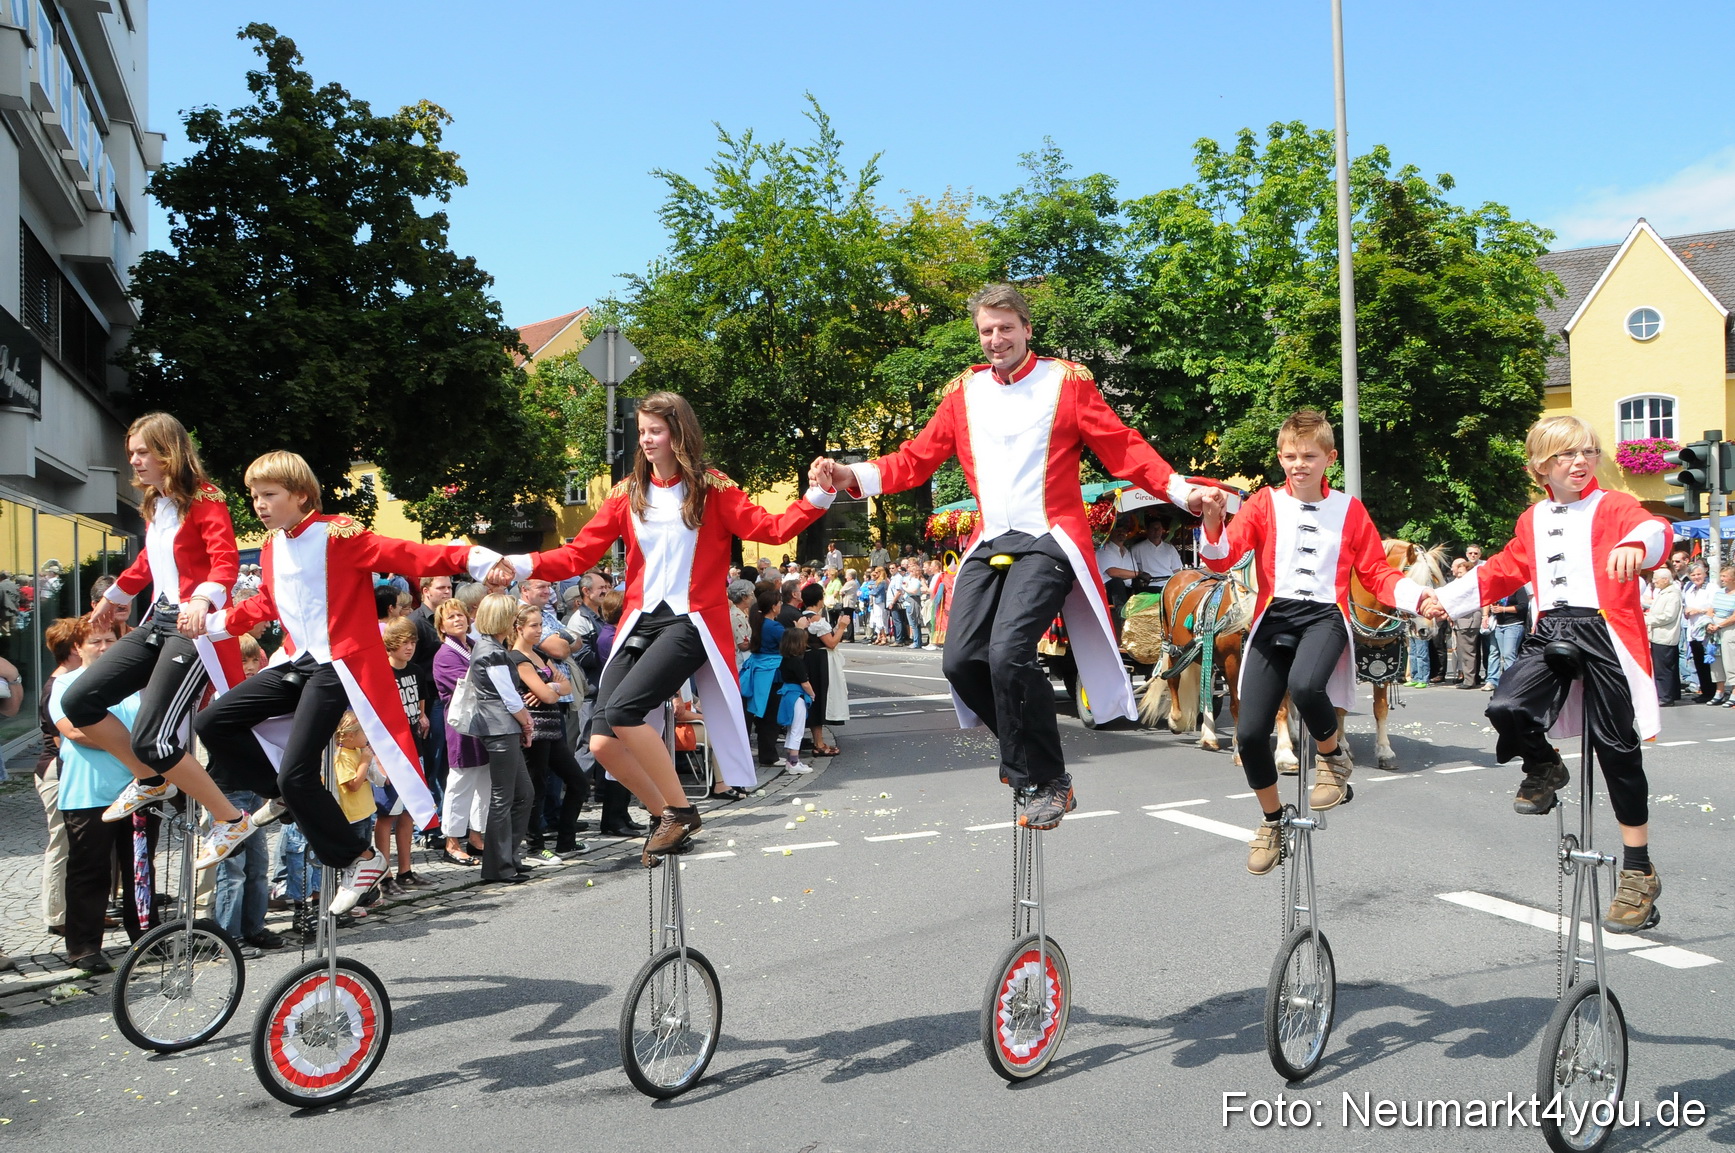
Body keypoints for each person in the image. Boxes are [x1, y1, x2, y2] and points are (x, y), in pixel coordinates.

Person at [812, 282, 1222, 828]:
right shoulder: (963, 393)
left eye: (1006, 328)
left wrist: (1180, 490)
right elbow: (915, 459)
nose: (996, 339)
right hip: (990, 539)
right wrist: (848, 474)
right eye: (987, 331)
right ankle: (1024, 757)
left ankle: (1050, 779)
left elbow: (1123, 447)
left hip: (1049, 537)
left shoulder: (1066, 382)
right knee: (960, 661)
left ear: (1027, 329)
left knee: (1008, 653)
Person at [489, 391, 835, 865]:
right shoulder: (627, 492)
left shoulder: (712, 487)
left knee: (625, 711)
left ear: (679, 433)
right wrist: (520, 564)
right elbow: (577, 554)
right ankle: (665, 816)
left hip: (691, 621)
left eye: (656, 430)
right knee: (602, 741)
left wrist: (818, 494)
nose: (647, 440)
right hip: (640, 619)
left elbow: (771, 528)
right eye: (642, 431)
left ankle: (680, 811)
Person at [191, 450, 503, 914]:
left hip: (337, 665)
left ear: (300, 495)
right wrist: (215, 623)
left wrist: (470, 557)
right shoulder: (273, 546)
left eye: (268, 494)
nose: (258, 504)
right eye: (254, 495)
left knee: (296, 773)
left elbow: (408, 554)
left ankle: (360, 858)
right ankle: (281, 797)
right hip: (297, 660)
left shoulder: (337, 534)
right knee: (213, 722)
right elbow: (267, 604)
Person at [1421, 414, 1668, 932]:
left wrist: (1636, 545)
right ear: (1539, 467)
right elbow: (1500, 570)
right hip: (1552, 628)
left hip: (1604, 631)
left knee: (1617, 750)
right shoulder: (1532, 519)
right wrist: (1445, 599)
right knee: (1505, 705)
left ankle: (1639, 871)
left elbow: (1655, 528)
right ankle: (1544, 765)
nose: (1580, 462)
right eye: (1566, 454)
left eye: (1588, 451)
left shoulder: (1612, 505)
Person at [1198, 409, 1430, 874]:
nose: (1298, 464)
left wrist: (1418, 597)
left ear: (1330, 458)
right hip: (1274, 616)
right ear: (1280, 458)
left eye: (1308, 456)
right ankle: (1272, 820)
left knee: (1305, 686)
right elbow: (1222, 560)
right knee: (1249, 734)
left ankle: (1332, 757)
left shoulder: (1349, 509)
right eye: (1289, 456)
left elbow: (1376, 572)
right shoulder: (1263, 503)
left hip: (1324, 614)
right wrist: (1212, 520)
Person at [60, 412, 262, 868]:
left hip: (193, 629)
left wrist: (204, 599)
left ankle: (230, 819)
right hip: (159, 620)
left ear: (168, 452)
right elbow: (148, 565)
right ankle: (151, 780)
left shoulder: (205, 497)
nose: (134, 461)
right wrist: (113, 598)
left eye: (142, 452)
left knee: (153, 738)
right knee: (79, 701)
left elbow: (224, 561)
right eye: (130, 453)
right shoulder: (157, 502)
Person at [50, 617, 158, 973]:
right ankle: (84, 948)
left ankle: (147, 938)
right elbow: (74, 732)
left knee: (139, 868)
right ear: (78, 647)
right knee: (89, 870)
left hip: (139, 788)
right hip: (89, 792)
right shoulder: (65, 683)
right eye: (95, 641)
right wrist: (132, 748)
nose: (104, 647)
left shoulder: (133, 684)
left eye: (110, 640)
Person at [460, 594, 536, 882]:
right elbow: (509, 697)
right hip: (499, 727)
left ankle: (508, 858)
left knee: (522, 793)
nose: (515, 619)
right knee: (504, 798)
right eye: (512, 615)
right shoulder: (491, 650)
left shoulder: (489, 647)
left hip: (501, 726)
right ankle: (499, 866)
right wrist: (527, 723)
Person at [35, 618, 85, 943]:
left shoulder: (71, 680)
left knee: (77, 845)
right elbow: (60, 741)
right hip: (56, 770)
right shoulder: (57, 686)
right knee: (62, 842)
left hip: (64, 769)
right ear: (73, 649)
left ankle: (76, 911)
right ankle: (57, 915)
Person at [431, 598, 487, 864]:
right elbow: (472, 684)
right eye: (450, 617)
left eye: (460, 615)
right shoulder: (445, 655)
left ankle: (477, 837)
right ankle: (452, 842)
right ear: (441, 626)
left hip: (484, 723)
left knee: (484, 781)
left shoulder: (474, 645)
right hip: (462, 726)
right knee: (460, 782)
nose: (457, 620)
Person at [1646, 567, 1683, 706]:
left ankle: (1666, 697)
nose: (1654, 581)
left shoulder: (1672, 594)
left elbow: (1668, 616)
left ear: (1665, 580)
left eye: (1656, 579)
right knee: (1666, 667)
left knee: (1663, 668)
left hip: (1665, 636)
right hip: (1660, 634)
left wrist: (1648, 620)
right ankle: (1671, 694)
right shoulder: (1664, 592)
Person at [1681, 561, 1716, 703]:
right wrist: (1687, 611)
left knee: (1709, 663)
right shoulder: (1690, 589)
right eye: (1693, 575)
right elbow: (1686, 606)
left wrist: (1699, 610)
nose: (1696, 577)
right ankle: (1705, 691)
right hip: (1693, 630)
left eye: (1699, 574)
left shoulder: (1711, 588)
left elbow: (1714, 607)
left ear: (1705, 574)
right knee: (1698, 662)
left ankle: (1713, 692)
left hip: (1706, 629)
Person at [1485, 583, 1530, 691]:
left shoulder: (1518, 588)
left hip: (1514, 624)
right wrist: (1491, 609)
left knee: (1509, 654)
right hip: (1500, 625)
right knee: (1503, 655)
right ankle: (1498, 681)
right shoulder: (1498, 588)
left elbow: (1523, 606)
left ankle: (1511, 683)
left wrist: (1503, 609)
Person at [1095, 523, 1138, 621]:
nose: (1121, 533)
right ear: (1111, 532)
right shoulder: (1104, 550)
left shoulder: (1128, 552)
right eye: (1118, 531)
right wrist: (1137, 574)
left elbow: (1135, 573)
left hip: (1127, 590)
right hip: (1109, 592)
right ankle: (1123, 619)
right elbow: (1112, 572)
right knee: (1116, 582)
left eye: (1123, 531)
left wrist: (1138, 575)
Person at [1708, 564, 1735, 708]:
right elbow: (1711, 610)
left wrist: (1719, 625)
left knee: (1730, 661)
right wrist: (1709, 623)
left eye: (1725, 576)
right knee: (1716, 662)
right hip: (1715, 629)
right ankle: (1719, 692)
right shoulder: (1719, 593)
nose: (1722, 579)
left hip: (1729, 629)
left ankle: (1734, 693)